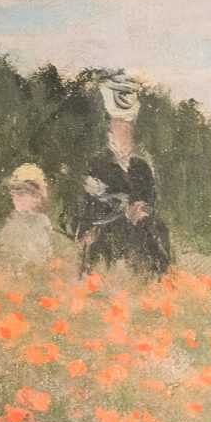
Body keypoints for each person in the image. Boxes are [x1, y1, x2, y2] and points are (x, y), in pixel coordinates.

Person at [77, 78, 173, 277]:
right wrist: (121, 211)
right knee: (108, 235)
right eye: (118, 124)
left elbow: (151, 200)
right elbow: (91, 205)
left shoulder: (142, 167)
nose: (123, 130)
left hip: (138, 226)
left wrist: (142, 210)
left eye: (127, 125)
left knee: (157, 229)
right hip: (106, 226)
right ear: (110, 128)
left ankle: (158, 280)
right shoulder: (98, 164)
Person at [0, 164, 63, 268]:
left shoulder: (43, 221)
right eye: (14, 194)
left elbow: (48, 251)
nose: (16, 198)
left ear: (37, 197)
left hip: (38, 270)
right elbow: (5, 252)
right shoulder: (12, 223)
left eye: (22, 194)